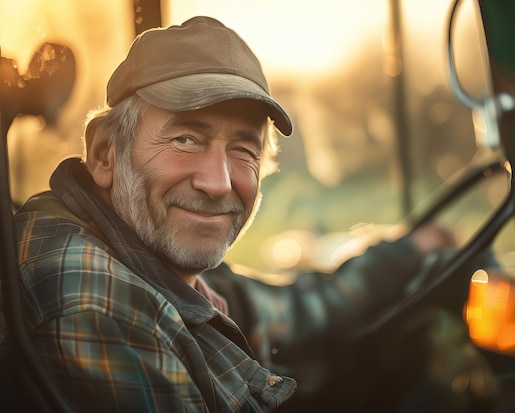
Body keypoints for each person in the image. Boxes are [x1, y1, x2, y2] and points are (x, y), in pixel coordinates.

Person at [0, 15, 469, 413]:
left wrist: (408, 252)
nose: (218, 182)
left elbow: (297, 309)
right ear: (105, 153)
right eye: (186, 139)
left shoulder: (162, 266)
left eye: (243, 149)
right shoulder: (99, 306)